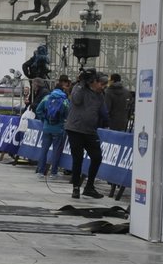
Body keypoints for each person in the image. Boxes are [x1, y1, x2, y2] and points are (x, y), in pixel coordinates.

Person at [65, 70, 108, 199]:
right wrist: (81, 82)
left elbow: (103, 111)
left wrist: (107, 121)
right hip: (75, 130)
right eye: (101, 83)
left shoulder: (100, 95)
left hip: (90, 131)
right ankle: (76, 187)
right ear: (93, 82)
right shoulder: (80, 89)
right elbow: (76, 100)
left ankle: (89, 187)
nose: (103, 86)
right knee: (77, 159)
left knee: (97, 157)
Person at [34, 77, 70, 178]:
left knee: (44, 150)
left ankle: (41, 172)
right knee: (56, 151)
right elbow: (68, 114)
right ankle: (53, 172)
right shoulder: (64, 100)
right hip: (58, 129)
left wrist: (44, 120)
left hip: (46, 127)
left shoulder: (47, 98)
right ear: (62, 90)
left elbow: (38, 110)